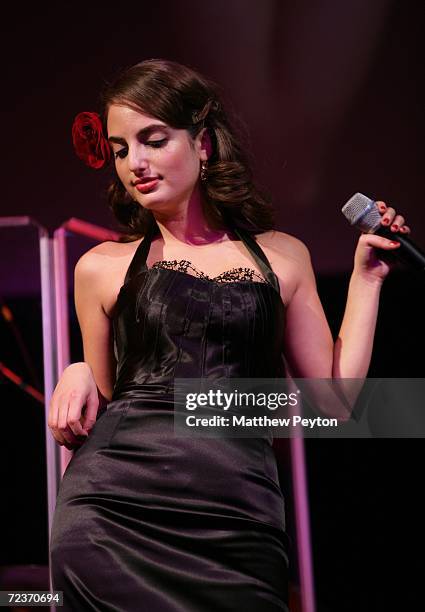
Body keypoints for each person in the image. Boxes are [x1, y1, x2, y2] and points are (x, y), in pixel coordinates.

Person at [48, 58, 410, 611]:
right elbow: (102, 399)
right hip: (113, 515)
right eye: (122, 149)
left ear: (203, 144)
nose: (135, 163)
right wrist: (77, 371)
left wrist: (365, 278)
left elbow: (334, 405)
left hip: (237, 522)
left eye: (153, 140)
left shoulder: (284, 257)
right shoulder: (99, 267)